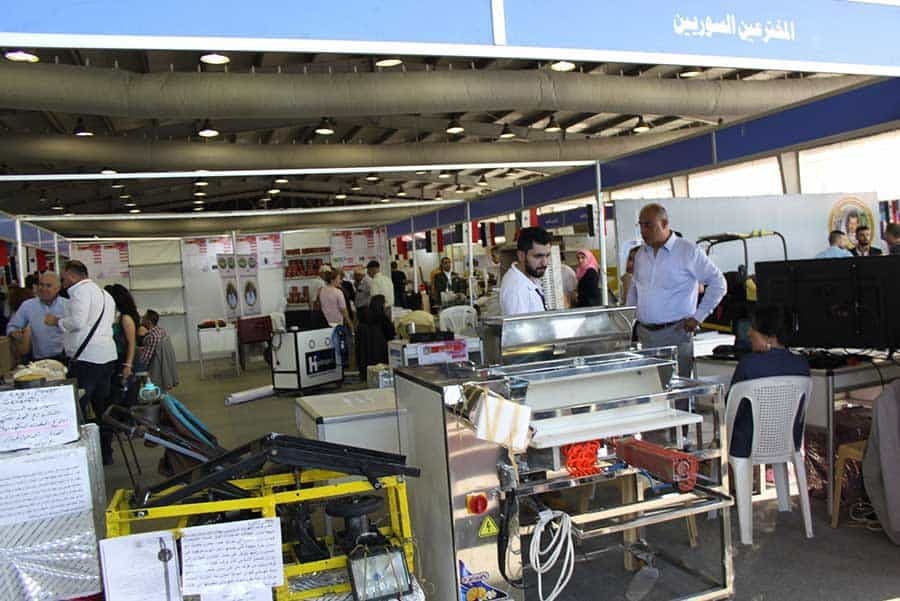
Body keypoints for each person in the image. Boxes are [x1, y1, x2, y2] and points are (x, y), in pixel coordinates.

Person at [626, 203, 726, 377]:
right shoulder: (641, 254)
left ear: (664, 223)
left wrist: (699, 316)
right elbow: (635, 289)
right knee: (650, 387)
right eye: (640, 225)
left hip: (675, 334)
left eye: (648, 225)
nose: (643, 231)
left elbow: (718, 283)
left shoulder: (688, 251)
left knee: (676, 388)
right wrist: (627, 320)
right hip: (645, 335)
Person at [45, 260, 117, 464]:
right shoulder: (104, 294)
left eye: (63, 277)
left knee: (79, 409)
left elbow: (77, 322)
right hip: (106, 356)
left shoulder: (80, 292)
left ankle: (83, 457)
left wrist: (56, 321)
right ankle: (105, 452)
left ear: (71, 275)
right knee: (102, 408)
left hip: (87, 359)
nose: (62, 281)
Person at [728, 305, 810, 459]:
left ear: (770, 337)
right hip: (789, 442)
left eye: (754, 328)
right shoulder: (802, 365)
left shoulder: (748, 364)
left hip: (747, 445)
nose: (749, 333)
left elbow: (731, 410)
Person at [6, 271, 67, 362]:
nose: (43, 288)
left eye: (48, 285)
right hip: (38, 360)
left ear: (57, 288)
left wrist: (58, 322)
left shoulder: (67, 305)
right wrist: (14, 332)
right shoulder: (27, 306)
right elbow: (12, 326)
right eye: (41, 285)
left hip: (64, 357)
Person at [500, 226, 552, 316]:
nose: (544, 262)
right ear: (521, 256)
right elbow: (519, 325)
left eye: (547, 255)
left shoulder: (530, 276)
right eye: (538, 256)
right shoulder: (516, 290)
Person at [105, 283, 141, 405]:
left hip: (124, 358)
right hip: (115, 358)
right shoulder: (114, 317)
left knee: (124, 395)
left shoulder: (125, 318)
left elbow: (132, 343)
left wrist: (128, 365)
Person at [355, 294, 396, 379]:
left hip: (365, 360)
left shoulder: (363, 318)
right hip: (380, 359)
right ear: (381, 305)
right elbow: (391, 335)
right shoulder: (382, 318)